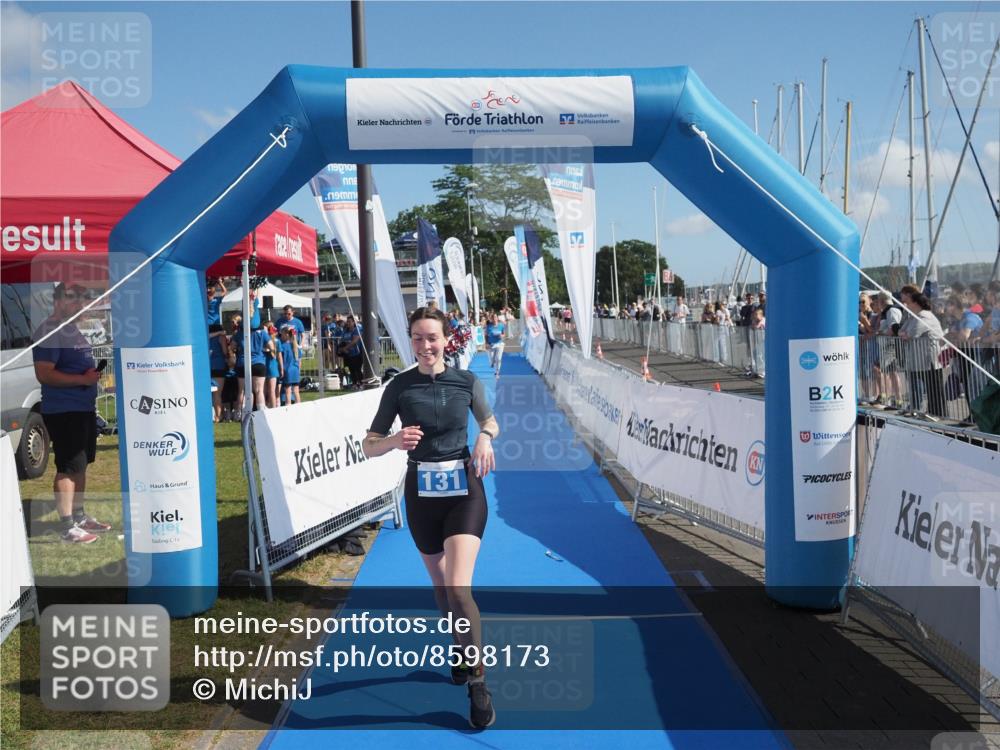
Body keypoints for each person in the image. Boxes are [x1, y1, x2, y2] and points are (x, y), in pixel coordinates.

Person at [362, 306, 500, 730]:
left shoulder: (466, 381)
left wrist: (484, 438)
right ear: (410, 340)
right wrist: (393, 440)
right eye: (418, 338)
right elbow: (369, 444)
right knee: (441, 588)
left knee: (458, 587)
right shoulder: (400, 387)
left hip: (464, 491)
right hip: (421, 495)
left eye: (432, 337)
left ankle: (477, 682)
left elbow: (490, 421)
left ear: (446, 340)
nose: (425, 346)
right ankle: (460, 646)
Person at [32, 283, 112, 544]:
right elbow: (44, 373)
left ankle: (79, 516)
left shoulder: (70, 329)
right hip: (64, 410)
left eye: (82, 300)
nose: (79, 305)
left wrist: (88, 376)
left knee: (80, 464)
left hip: (82, 408)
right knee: (67, 466)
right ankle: (67, 526)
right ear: (57, 301)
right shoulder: (49, 330)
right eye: (72, 299)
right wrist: (82, 379)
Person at [338, 315, 364, 389]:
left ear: (353, 322)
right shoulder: (345, 330)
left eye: (349, 322)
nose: (348, 323)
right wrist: (341, 348)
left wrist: (345, 348)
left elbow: (355, 341)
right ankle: (354, 383)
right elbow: (342, 340)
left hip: (356, 353)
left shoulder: (357, 330)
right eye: (347, 321)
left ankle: (361, 383)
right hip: (347, 354)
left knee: (357, 369)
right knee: (350, 369)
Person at [279, 326, 301, 406]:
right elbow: (299, 360)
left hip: (287, 370)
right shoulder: (296, 346)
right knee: (296, 390)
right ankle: (299, 405)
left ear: (286, 335)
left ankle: (288, 405)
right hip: (295, 369)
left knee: (287, 390)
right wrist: (298, 369)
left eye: (282, 334)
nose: (281, 336)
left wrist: (281, 369)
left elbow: (281, 359)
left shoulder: (283, 346)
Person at [264, 324, 280, 409]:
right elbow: (279, 357)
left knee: (265, 391)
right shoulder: (276, 341)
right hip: (272, 368)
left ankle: (267, 407)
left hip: (266, 367)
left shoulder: (265, 341)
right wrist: (281, 368)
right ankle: (272, 407)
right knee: (271, 391)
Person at [485, 312, 505, 377]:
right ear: (491, 319)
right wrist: (486, 343)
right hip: (491, 344)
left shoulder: (501, 325)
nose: (494, 319)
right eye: (493, 317)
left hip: (499, 344)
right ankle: (492, 363)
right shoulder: (489, 326)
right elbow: (486, 335)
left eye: (495, 317)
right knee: (492, 360)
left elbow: (503, 334)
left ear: (497, 318)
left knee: (498, 358)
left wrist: (502, 336)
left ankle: (497, 372)